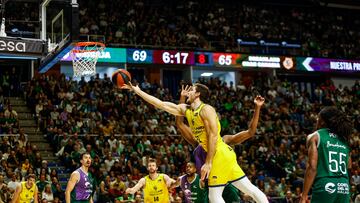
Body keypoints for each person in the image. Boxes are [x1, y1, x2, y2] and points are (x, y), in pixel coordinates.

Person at [123, 83, 268, 203]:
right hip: (225, 157)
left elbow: (212, 135)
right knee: (249, 189)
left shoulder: (206, 109)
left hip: (218, 155)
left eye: (191, 89)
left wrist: (209, 162)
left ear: (197, 94)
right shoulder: (187, 111)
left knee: (214, 197)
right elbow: (161, 104)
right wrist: (138, 91)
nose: (188, 92)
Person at [176, 85, 265, 203]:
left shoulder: (224, 140)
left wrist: (257, 108)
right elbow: (180, 124)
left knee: (218, 196)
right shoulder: (197, 142)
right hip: (211, 181)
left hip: (224, 181)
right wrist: (182, 99)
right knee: (245, 189)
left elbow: (250, 132)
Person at [300, 106, 352, 203]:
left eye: (318, 118)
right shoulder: (344, 140)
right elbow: (349, 167)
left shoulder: (315, 136)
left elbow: (312, 167)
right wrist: (348, 188)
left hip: (326, 185)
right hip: (344, 186)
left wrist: (304, 195)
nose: (316, 120)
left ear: (323, 121)